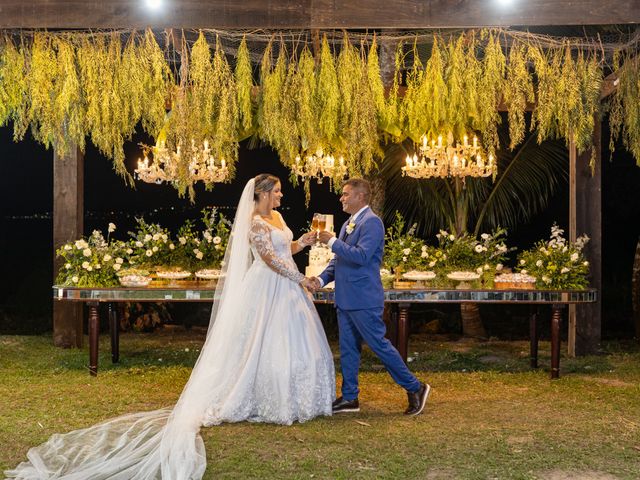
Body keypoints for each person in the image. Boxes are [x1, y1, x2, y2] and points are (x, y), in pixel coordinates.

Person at [6, 174, 335, 480]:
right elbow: (269, 260)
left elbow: (285, 251)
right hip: (267, 287)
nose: (280, 195)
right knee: (259, 343)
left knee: (289, 340)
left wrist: (303, 241)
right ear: (262, 194)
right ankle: (258, 395)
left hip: (287, 287)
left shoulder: (277, 218)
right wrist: (300, 278)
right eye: (276, 191)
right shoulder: (255, 222)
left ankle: (293, 396)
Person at [313, 178, 430, 416]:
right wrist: (321, 279)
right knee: (348, 349)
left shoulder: (372, 223)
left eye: (346, 194)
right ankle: (349, 398)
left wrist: (332, 241)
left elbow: (362, 256)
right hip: (345, 298)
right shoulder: (348, 223)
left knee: (379, 346)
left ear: (361, 197)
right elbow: (339, 261)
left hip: (364, 298)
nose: (341, 198)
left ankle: (415, 387)